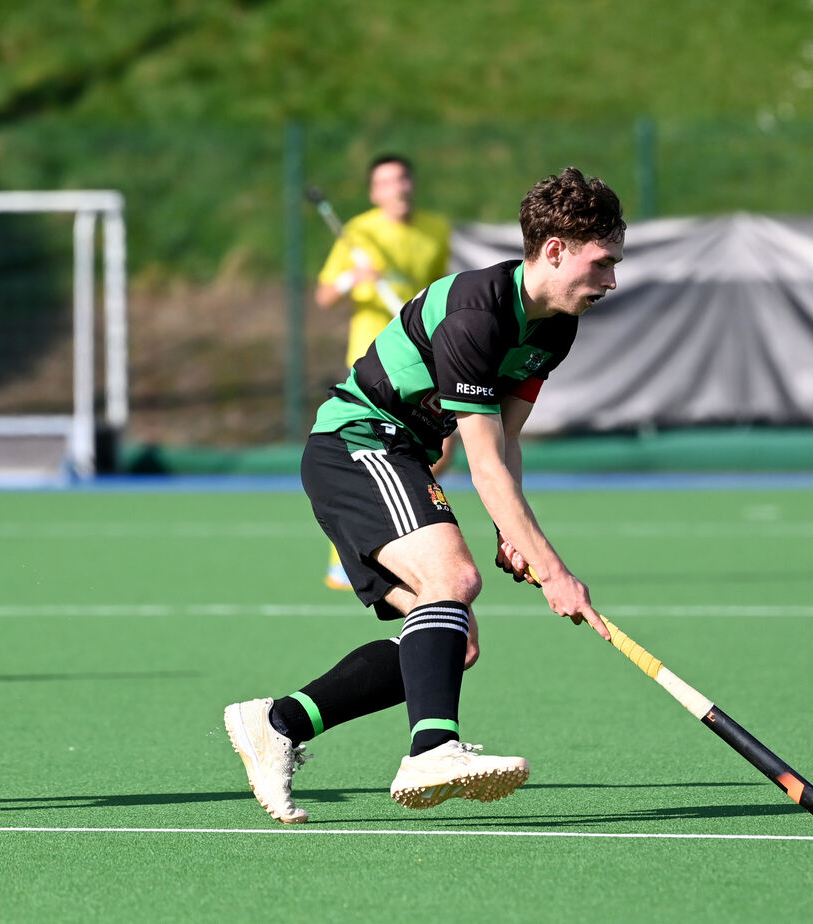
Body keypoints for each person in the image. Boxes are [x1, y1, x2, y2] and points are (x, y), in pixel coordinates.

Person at [224, 167, 625, 823]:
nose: (610, 281)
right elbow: (483, 465)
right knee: (454, 580)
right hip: (357, 443)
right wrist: (554, 572)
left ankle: (277, 723)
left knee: (450, 644)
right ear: (555, 250)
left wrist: (511, 535)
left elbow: (506, 439)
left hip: (401, 453)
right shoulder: (476, 313)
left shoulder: (555, 327)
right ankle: (432, 750)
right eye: (601, 263)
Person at [314, 154, 455, 591]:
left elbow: (439, 290)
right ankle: (347, 556)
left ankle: (399, 534)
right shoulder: (358, 232)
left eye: (404, 178)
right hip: (372, 362)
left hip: (420, 359)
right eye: (388, 182)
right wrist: (353, 278)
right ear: (375, 192)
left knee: (440, 452)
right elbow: (324, 296)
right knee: (368, 457)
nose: (399, 187)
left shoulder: (436, 229)